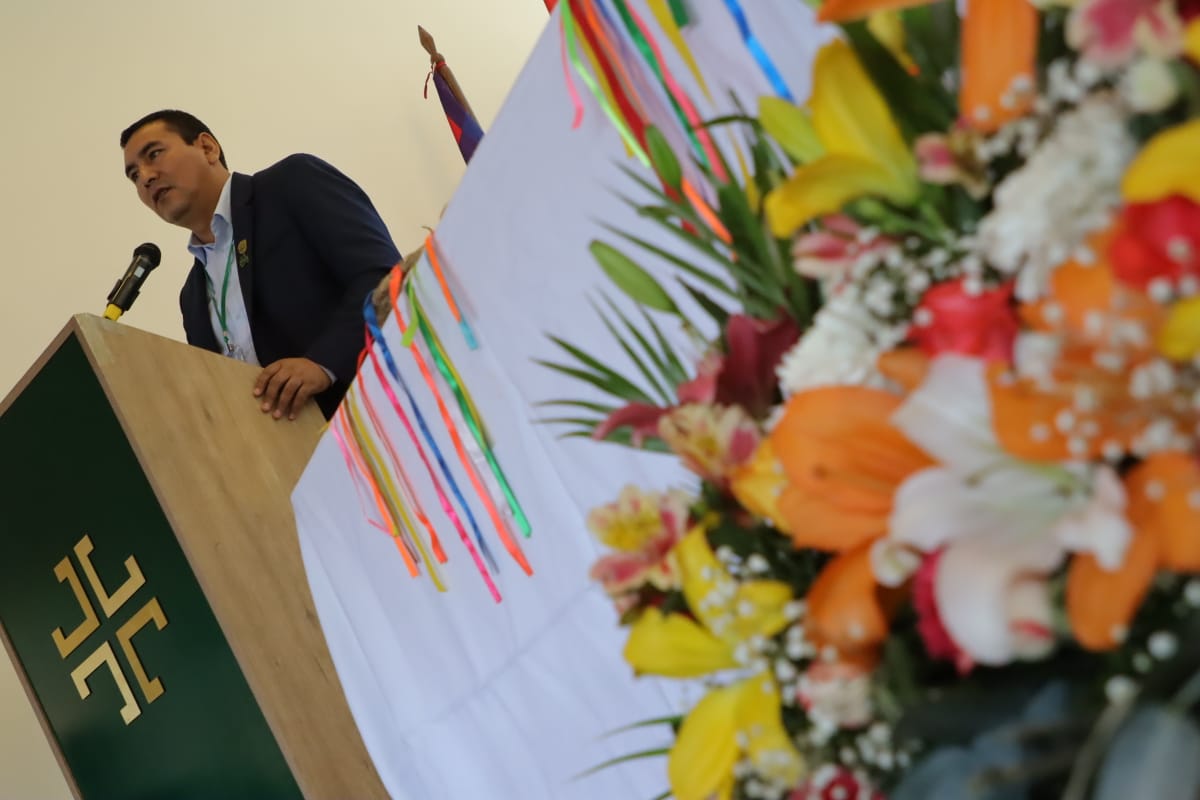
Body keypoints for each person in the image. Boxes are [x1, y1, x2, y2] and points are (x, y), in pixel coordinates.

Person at [119, 110, 400, 419]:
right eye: (134, 176)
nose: (146, 177)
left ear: (207, 148)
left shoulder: (291, 183)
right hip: (292, 446)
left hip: (383, 414)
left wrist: (323, 363)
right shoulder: (192, 298)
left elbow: (385, 276)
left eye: (154, 154)